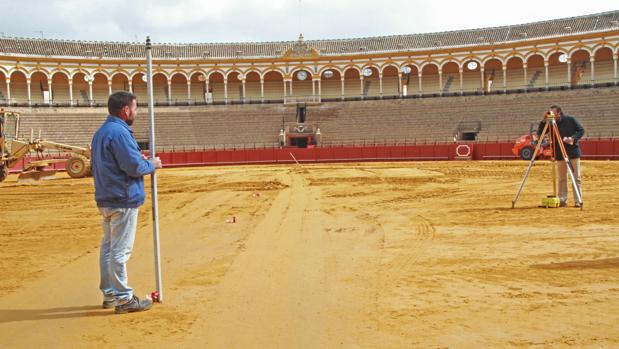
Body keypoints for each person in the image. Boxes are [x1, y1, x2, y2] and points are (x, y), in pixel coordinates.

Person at [91, 91, 162, 314]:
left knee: (108, 248)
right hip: (122, 198)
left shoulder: (101, 132)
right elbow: (133, 167)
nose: (136, 112)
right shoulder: (119, 133)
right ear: (125, 110)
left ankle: (110, 294)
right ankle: (124, 299)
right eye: (135, 108)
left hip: (106, 197)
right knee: (119, 252)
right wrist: (152, 164)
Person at [537, 104, 585, 208]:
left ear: (559, 113)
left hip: (572, 152)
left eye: (553, 113)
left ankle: (578, 200)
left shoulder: (570, 119)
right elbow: (541, 133)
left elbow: (581, 130)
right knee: (562, 178)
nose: (551, 115)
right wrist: (543, 121)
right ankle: (563, 200)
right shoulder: (550, 123)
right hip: (559, 154)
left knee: (576, 178)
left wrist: (573, 138)